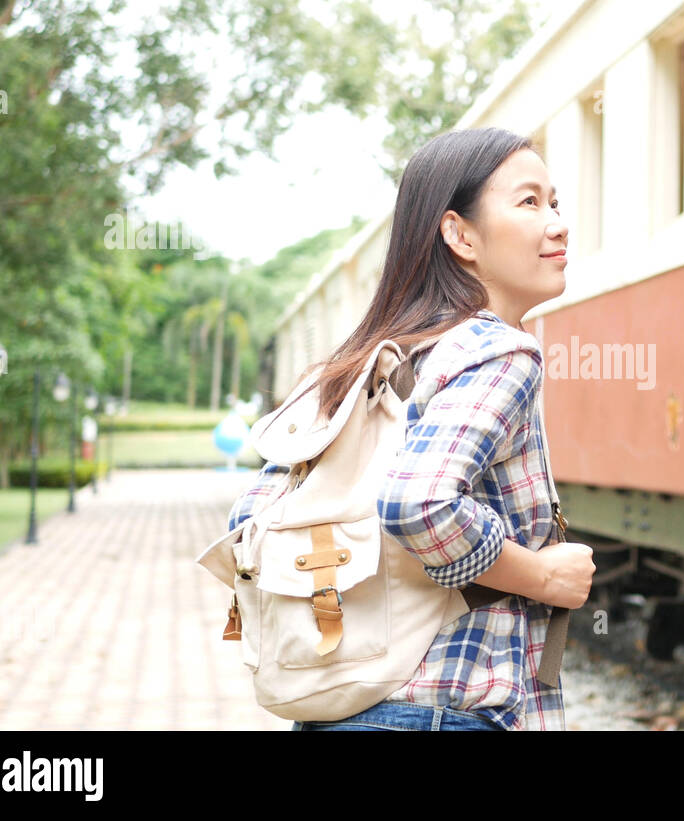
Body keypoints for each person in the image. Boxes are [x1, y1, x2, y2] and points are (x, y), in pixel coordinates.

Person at [227, 127, 595, 731]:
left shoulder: (363, 362)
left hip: (342, 709)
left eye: (554, 202)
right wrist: (544, 575)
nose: (558, 223)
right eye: (529, 202)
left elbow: (250, 518)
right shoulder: (500, 352)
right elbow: (418, 502)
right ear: (459, 233)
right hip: (438, 715)